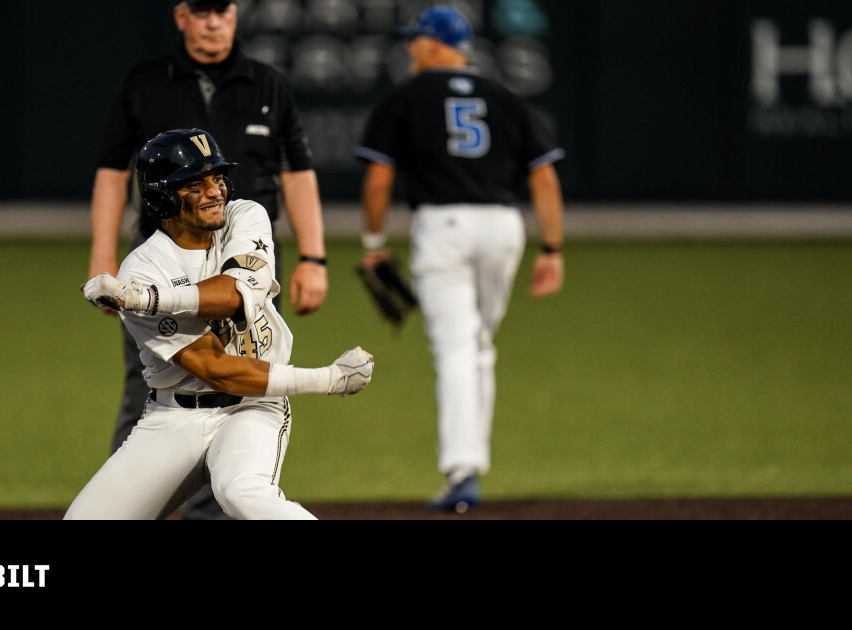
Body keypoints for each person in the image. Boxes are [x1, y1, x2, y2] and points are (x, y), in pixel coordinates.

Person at [87, 0, 329, 519]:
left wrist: (314, 255)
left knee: (242, 488)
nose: (214, 21)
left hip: (245, 267)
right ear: (181, 16)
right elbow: (111, 170)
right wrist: (106, 258)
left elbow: (296, 176)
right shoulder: (145, 82)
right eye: (203, 11)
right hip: (170, 412)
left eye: (223, 10)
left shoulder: (247, 206)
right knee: (150, 382)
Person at [66, 129, 373, 520]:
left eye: (217, 178)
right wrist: (326, 380)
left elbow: (232, 294)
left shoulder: (245, 217)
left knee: (242, 490)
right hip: (175, 417)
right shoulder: (143, 269)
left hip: (253, 406)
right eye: (195, 184)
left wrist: (150, 299)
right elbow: (217, 370)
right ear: (163, 197)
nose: (215, 191)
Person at [355, 6, 566, 513]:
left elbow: (379, 179)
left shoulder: (405, 97)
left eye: (416, 39)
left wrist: (372, 242)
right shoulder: (506, 97)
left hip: (443, 228)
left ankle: (462, 471)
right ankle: (470, 465)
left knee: (455, 348)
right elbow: (543, 178)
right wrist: (553, 249)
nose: (410, 47)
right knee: (478, 344)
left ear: (435, 43)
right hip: (503, 227)